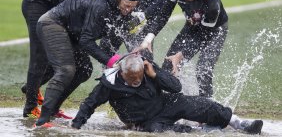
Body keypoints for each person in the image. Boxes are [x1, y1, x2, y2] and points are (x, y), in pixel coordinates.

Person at [34, 0, 143, 127]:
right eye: (127, 5)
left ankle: (52, 109)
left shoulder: (116, 5)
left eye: (133, 7)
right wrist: (111, 61)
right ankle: (42, 120)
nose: (129, 10)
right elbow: (86, 41)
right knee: (66, 70)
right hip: (52, 24)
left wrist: (135, 48)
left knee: (84, 69)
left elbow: (119, 34)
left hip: (71, 33)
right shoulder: (101, 6)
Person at [71, 54, 263, 134]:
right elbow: (90, 103)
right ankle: (204, 131)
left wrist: (155, 75)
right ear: (122, 73)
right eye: (132, 79)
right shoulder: (109, 83)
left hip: (165, 103)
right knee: (165, 132)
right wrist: (76, 126)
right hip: (144, 121)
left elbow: (176, 87)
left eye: (140, 77)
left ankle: (239, 123)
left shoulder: (148, 68)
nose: (137, 82)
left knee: (201, 104)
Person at [21, 0, 95, 118]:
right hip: (38, 6)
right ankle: (30, 107)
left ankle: (36, 91)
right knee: (39, 57)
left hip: (50, 7)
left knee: (78, 64)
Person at [159, 0, 229, 97]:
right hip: (192, 24)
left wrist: (182, 54)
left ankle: (208, 104)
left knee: (203, 69)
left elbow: (203, 35)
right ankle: (170, 100)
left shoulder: (212, 5)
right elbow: (164, 13)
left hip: (214, 31)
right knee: (169, 65)